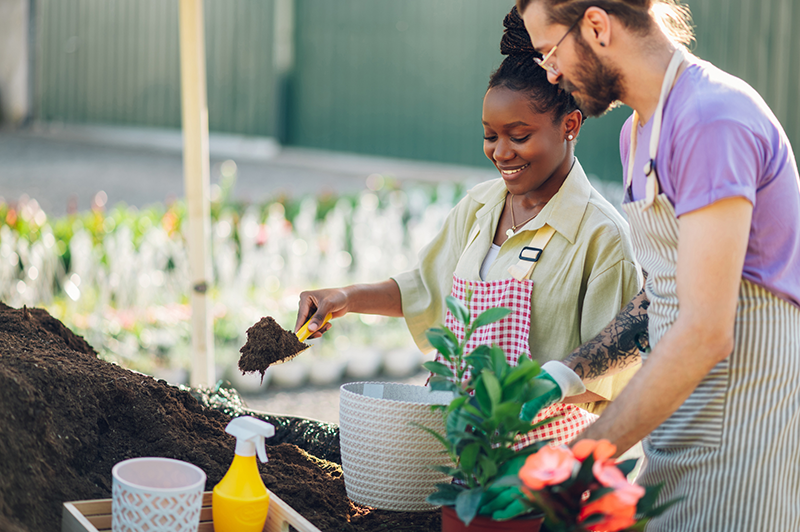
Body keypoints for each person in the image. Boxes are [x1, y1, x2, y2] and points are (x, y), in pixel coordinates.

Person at [295, 7, 642, 447]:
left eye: (519, 136)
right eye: (490, 135)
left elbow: (613, 378)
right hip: (455, 443)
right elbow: (424, 288)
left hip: (539, 463)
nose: (501, 153)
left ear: (570, 125)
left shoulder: (601, 238)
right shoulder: (479, 206)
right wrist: (343, 297)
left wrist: (522, 394)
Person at [518, 0, 800, 529]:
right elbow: (664, 291)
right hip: (680, 411)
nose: (550, 73)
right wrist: (562, 375)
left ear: (597, 26)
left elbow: (704, 331)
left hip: (742, 417)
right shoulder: (638, 132)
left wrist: (583, 454)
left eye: (549, 52)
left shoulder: (711, 119)